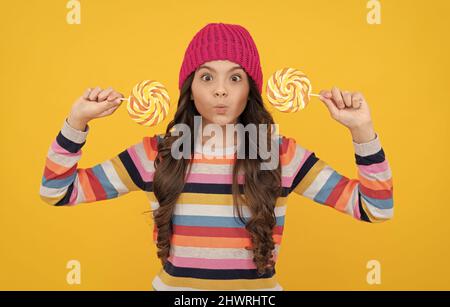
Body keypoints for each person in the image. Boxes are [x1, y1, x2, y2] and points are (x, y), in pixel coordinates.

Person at [39, 23, 394, 291]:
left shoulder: (279, 155)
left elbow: (375, 209)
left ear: (249, 90)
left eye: (235, 77)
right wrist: (77, 121)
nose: (221, 89)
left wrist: (361, 130)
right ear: (190, 89)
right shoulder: (155, 155)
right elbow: (57, 191)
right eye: (207, 76)